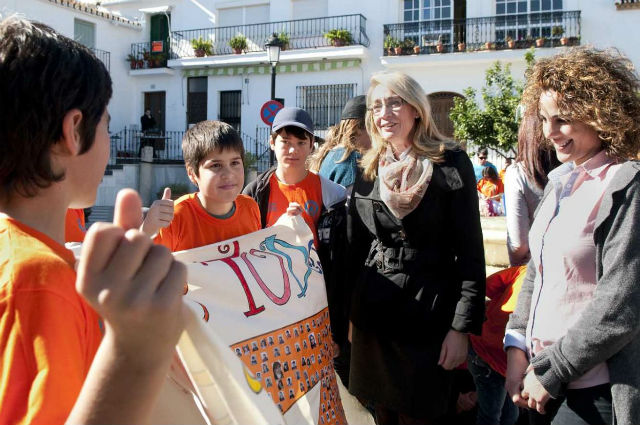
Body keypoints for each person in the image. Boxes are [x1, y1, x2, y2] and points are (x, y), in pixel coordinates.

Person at [0, 16, 186, 424]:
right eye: (106, 125)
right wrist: (135, 350)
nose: (108, 142)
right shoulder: (37, 279)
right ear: (73, 130)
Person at [505, 48, 640, 425]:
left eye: (562, 119)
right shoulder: (560, 182)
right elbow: (536, 272)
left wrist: (554, 369)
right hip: (538, 381)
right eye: (545, 119)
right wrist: (516, 345)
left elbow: (621, 305)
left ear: (600, 114)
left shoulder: (627, 184)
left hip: (590, 391)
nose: (549, 132)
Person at [346, 71, 486, 424]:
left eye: (395, 103)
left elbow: (470, 251)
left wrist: (460, 329)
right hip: (375, 317)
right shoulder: (368, 166)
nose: (384, 113)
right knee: (384, 415)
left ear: (417, 110)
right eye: (377, 106)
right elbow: (356, 247)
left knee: (425, 414)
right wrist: (348, 317)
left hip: (430, 316)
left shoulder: (449, 162)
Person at [307, 95, 370, 386]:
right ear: (361, 125)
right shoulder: (351, 159)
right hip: (349, 264)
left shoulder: (330, 154)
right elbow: (353, 220)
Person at [142, 120, 261, 251]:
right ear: (192, 173)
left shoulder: (250, 207)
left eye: (235, 163)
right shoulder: (174, 217)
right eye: (216, 165)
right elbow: (145, 263)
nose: (228, 174)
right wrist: (147, 231)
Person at [243, 107, 347, 241]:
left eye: (301, 143)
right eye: (286, 142)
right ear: (272, 143)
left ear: (311, 146)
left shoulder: (332, 194)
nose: (293, 150)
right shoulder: (253, 193)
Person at [468, 266, 527, 425]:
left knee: (505, 415)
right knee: (493, 415)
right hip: (486, 354)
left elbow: (488, 286)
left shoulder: (524, 270)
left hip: (497, 357)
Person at [503, 113, 560, 266]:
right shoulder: (572, 170)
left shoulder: (518, 173)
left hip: (534, 269)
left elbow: (518, 243)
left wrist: (515, 265)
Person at [309, 95, 371, 194]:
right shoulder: (353, 160)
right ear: (358, 128)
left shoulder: (332, 152)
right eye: (375, 127)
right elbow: (350, 208)